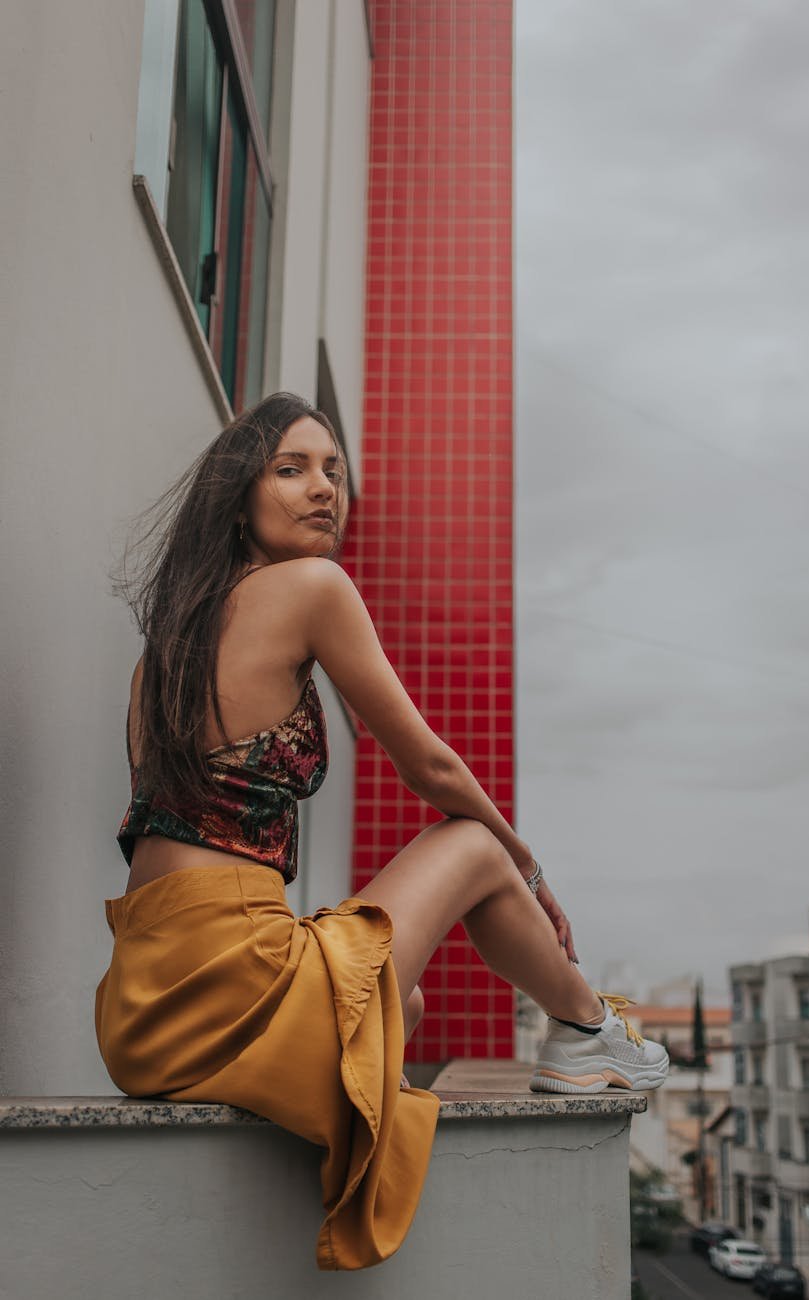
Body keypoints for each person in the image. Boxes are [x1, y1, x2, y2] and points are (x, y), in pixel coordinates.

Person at [94, 392, 668, 1271]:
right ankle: (589, 1032)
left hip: (143, 1012)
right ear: (237, 493)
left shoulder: (162, 648)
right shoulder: (312, 587)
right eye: (291, 469)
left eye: (334, 471)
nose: (324, 489)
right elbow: (430, 769)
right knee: (472, 846)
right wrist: (527, 868)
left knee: (402, 1008)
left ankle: (574, 1034)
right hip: (232, 985)